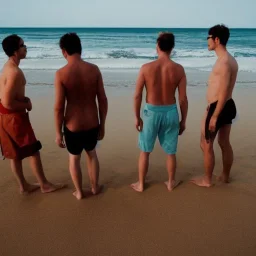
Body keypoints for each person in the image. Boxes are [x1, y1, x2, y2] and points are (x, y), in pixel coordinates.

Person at [0, 34, 65, 194]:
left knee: (15, 154)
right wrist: (26, 104)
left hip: (5, 116)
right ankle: (44, 185)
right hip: (13, 117)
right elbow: (8, 102)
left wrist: (22, 100)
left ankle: (24, 186)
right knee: (32, 150)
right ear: (15, 51)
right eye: (22, 45)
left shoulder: (7, 67)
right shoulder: (14, 72)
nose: (25, 47)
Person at [131, 32, 188, 192]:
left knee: (145, 151)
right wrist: (183, 120)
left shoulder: (146, 68)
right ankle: (170, 182)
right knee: (171, 152)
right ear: (172, 48)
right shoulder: (178, 69)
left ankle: (141, 184)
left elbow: (137, 95)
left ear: (157, 46)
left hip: (151, 114)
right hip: (171, 112)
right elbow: (183, 99)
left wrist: (137, 117)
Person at [54, 33, 108, 200]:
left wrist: (58, 132)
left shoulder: (61, 74)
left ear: (64, 51)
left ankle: (79, 192)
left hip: (73, 125)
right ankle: (94, 187)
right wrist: (102, 124)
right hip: (92, 122)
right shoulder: (94, 69)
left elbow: (58, 107)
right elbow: (103, 100)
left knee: (74, 158)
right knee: (91, 154)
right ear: (80, 48)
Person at [191, 25, 238, 187]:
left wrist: (215, 115)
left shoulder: (224, 63)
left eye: (208, 38)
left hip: (219, 106)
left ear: (216, 39)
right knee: (224, 142)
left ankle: (207, 180)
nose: (207, 41)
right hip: (227, 105)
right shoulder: (230, 59)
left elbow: (223, 91)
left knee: (206, 143)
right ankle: (225, 176)